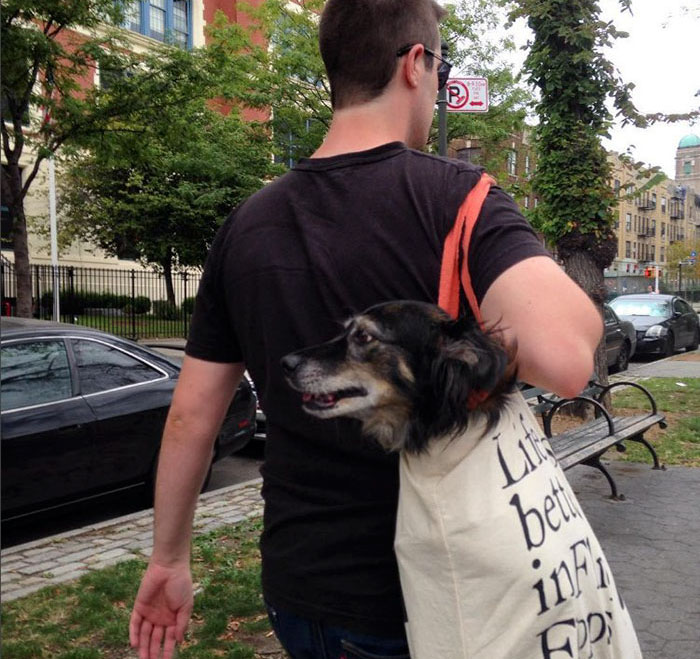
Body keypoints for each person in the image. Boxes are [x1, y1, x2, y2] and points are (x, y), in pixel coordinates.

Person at [129, 1, 603, 657]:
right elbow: (569, 356)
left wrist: (168, 558)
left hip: (297, 586)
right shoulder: (458, 199)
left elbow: (190, 418)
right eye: (442, 68)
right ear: (416, 64)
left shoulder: (245, 226)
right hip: (418, 595)